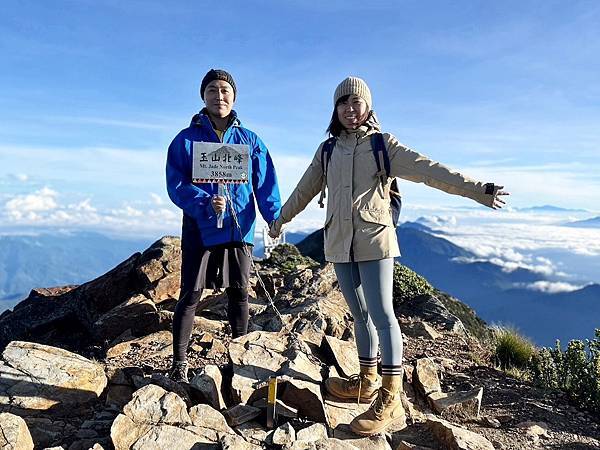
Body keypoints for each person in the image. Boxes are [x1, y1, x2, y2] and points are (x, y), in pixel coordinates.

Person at [269, 76, 508, 436]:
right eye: (343, 104)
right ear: (335, 110)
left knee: (383, 315)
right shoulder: (327, 150)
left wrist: (477, 191)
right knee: (359, 314)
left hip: (374, 241)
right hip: (339, 242)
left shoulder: (384, 146)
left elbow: (430, 171)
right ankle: (366, 382)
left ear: (368, 107)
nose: (351, 110)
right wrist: (279, 220)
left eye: (357, 103)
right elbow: (305, 189)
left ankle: (390, 396)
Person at [166, 69, 281, 382]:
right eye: (212, 90)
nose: (219, 96)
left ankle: (239, 359)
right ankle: (179, 362)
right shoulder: (186, 140)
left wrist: (274, 216)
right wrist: (204, 200)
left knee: (239, 293)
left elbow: (265, 182)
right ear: (203, 96)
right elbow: (175, 183)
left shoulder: (250, 141)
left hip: (238, 225)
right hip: (200, 226)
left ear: (234, 96)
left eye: (225, 90)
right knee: (191, 293)